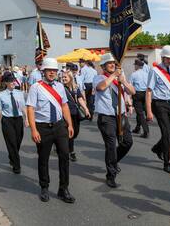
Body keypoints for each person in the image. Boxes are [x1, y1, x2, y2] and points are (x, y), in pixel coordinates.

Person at [26, 58, 75, 203]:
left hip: (60, 126)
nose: (52, 73)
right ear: (44, 71)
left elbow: (65, 106)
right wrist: (33, 130)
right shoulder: (36, 87)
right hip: (43, 127)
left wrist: (70, 124)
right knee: (43, 158)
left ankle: (63, 189)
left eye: (54, 70)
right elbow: (30, 108)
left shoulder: (60, 86)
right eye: (49, 70)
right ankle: (44, 187)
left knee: (65, 157)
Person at [94, 53, 135, 188]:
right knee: (111, 146)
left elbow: (132, 91)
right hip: (107, 117)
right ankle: (111, 175)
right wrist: (113, 76)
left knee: (127, 142)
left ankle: (113, 161)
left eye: (114, 63)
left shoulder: (120, 78)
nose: (112, 65)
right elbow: (101, 87)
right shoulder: (98, 77)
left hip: (121, 116)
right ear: (103, 66)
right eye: (109, 63)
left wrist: (123, 81)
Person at [146, 45, 170, 173]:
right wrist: (149, 111)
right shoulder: (155, 71)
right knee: (167, 133)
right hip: (159, 104)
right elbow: (149, 91)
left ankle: (158, 148)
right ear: (162, 57)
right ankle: (168, 163)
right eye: (168, 59)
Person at [0, 74, 29, 174]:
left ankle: (12, 156)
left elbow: (23, 107)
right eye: (11, 81)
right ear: (6, 83)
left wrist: (27, 119)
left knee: (17, 142)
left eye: (14, 81)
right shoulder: (2, 95)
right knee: (11, 142)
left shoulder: (19, 93)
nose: (13, 83)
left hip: (18, 120)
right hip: (7, 121)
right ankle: (17, 166)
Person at [62, 70, 90, 162]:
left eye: (65, 77)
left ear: (70, 78)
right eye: (62, 77)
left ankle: (64, 145)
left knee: (76, 132)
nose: (63, 79)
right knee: (70, 133)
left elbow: (80, 99)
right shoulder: (61, 88)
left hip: (75, 113)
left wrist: (86, 109)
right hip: (66, 114)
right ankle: (71, 152)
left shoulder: (75, 88)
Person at [129, 59, 150, 138]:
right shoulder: (147, 74)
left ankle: (146, 131)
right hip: (145, 93)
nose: (134, 66)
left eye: (135, 65)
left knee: (140, 113)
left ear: (137, 66)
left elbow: (130, 86)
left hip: (137, 94)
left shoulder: (134, 74)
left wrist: (130, 97)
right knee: (141, 113)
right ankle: (137, 128)